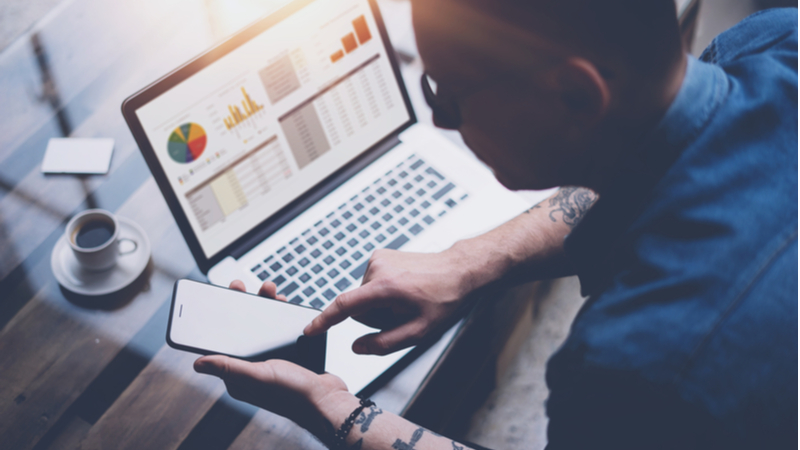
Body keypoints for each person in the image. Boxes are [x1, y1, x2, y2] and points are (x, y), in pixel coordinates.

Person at [194, 0, 798, 448]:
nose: (439, 123)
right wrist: (471, 259)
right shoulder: (774, 39)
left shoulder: (637, 368)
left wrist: (337, 412)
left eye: (447, 96)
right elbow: (657, 156)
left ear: (576, 96)